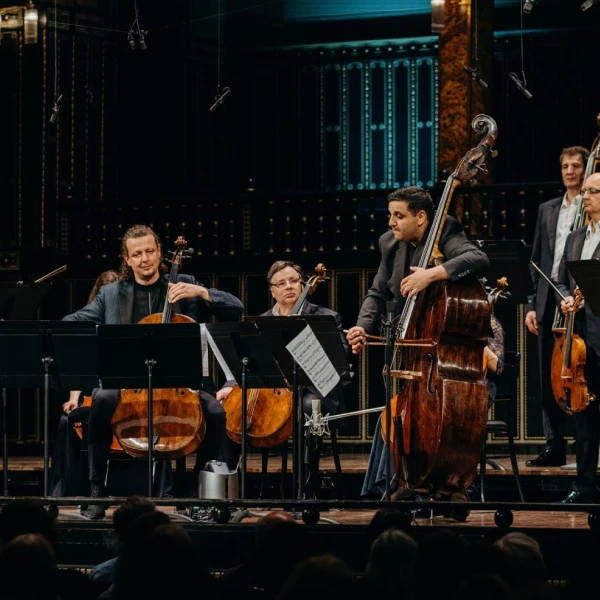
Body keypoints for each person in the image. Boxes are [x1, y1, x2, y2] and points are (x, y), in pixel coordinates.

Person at [62, 224, 244, 518]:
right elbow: (71, 323)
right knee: (102, 399)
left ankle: (193, 493)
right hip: (128, 383)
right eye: (137, 254)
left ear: (160, 252)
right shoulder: (111, 294)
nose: (144, 259)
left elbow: (236, 308)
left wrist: (202, 292)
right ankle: (97, 492)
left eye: (149, 251)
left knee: (216, 412)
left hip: (180, 383)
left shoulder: (185, 286)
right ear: (127, 258)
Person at [346, 185, 490, 504]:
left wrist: (433, 274)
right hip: (413, 349)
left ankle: (448, 482)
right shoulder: (390, 244)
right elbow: (377, 293)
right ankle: (407, 479)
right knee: (402, 414)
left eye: (399, 216)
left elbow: (478, 258)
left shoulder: (445, 230)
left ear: (421, 217)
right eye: (390, 215)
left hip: (443, 356)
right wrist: (361, 326)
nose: (391, 223)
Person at [218, 260, 351, 498]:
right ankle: (226, 492)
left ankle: (305, 490)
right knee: (229, 413)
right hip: (272, 392)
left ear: (303, 285)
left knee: (307, 408)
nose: (288, 286)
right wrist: (231, 385)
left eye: (293, 281)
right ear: (272, 291)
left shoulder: (326, 318)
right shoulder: (260, 321)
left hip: (314, 391)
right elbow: (242, 360)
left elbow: (338, 360)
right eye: (281, 283)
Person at [525, 145, 589, 468]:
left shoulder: (590, 205)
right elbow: (537, 257)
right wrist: (531, 304)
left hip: (578, 295)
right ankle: (554, 445)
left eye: (576, 166)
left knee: (579, 369)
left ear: (586, 169)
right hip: (548, 295)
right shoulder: (547, 209)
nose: (570, 172)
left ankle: (585, 443)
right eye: (565, 166)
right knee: (548, 374)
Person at [49, 270, 119, 497]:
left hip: (125, 393)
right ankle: (68, 488)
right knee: (66, 421)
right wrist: (73, 398)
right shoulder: (89, 324)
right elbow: (80, 367)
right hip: (96, 393)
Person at [555, 171, 600, 503]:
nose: (585, 197)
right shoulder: (575, 237)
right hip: (580, 338)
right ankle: (584, 484)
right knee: (583, 411)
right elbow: (561, 279)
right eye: (584, 191)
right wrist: (566, 297)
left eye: (593, 191)